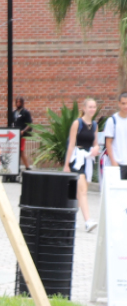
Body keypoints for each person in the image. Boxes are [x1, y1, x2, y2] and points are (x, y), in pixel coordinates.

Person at [64, 98, 99, 231]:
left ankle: (70, 218)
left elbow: (95, 142)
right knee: (83, 190)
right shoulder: (77, 123)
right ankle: (88, 221)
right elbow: (71, 144)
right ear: (84, 108)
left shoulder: (95, 125)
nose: (92, 109)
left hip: (87, 159)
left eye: (94, 107)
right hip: (76, 160)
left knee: (79, 192)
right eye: (90, 107)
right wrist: (67, 165)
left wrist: (96, 148)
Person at [103, 92, 127, 181]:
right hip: (117, 163)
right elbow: (108, 142)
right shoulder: (112, 120)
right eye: (123, 103)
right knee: (117, 193)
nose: (125, 106)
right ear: (119, 104)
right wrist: (113, 161)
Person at [10, 96, 33, 169]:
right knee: (15, 150)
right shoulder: (14, 112)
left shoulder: (25, 112)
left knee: (21, 150)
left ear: (22, 103)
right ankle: (15, 166)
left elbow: (30, 124)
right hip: (14, 134)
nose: (18, 103)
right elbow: (11, 122)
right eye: (17, 102)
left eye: (19, 102)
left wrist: (24, 131)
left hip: (22, 134)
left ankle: (27, 166)